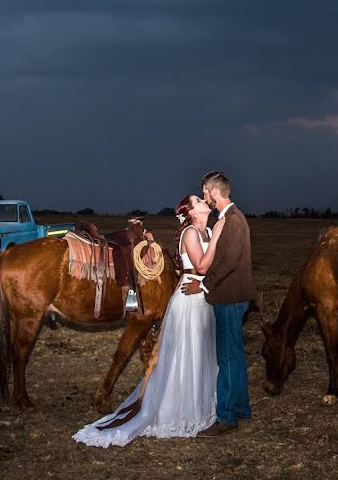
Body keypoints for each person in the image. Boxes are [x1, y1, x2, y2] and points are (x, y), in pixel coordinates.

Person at [73, 194, 225, 447]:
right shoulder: (191, 233)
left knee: (201, 352)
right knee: (184, 354)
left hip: (203, 297)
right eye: (199, 200)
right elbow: (201, 267)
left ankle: (200, 405)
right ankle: (176, 409)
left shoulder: (207, 229)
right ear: (190, 212)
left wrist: (216, 235)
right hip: (191, 296)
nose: (203, 201)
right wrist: (219, 236)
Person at [182, 171, 256, 437]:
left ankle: (226, 418)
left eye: (204, 193)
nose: (204, 197)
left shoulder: (233, 220)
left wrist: (202, 285)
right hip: (233, 296)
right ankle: (240, 408)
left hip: (229, 297)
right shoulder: (230, 219)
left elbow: (228, 262)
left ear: (214, 192)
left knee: (226, 357)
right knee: (235, 355)